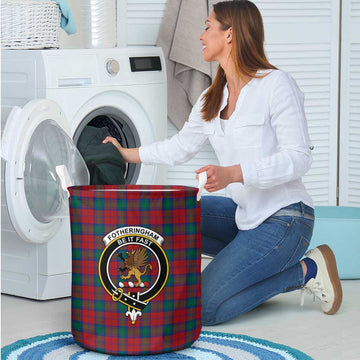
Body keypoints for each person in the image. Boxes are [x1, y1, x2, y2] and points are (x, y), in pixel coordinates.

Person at [103, 0, 342, 325]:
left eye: (207, 27)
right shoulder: (211, 97)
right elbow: (180, 147)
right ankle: (205, 281)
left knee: (204, 308)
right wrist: (127, 153)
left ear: (229, 35)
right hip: (245, 217)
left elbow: (298, 159)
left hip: (286, 219)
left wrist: (234, 174)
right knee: (167, 216)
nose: (200, 36)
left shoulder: (275, 84)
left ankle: (305, 271)